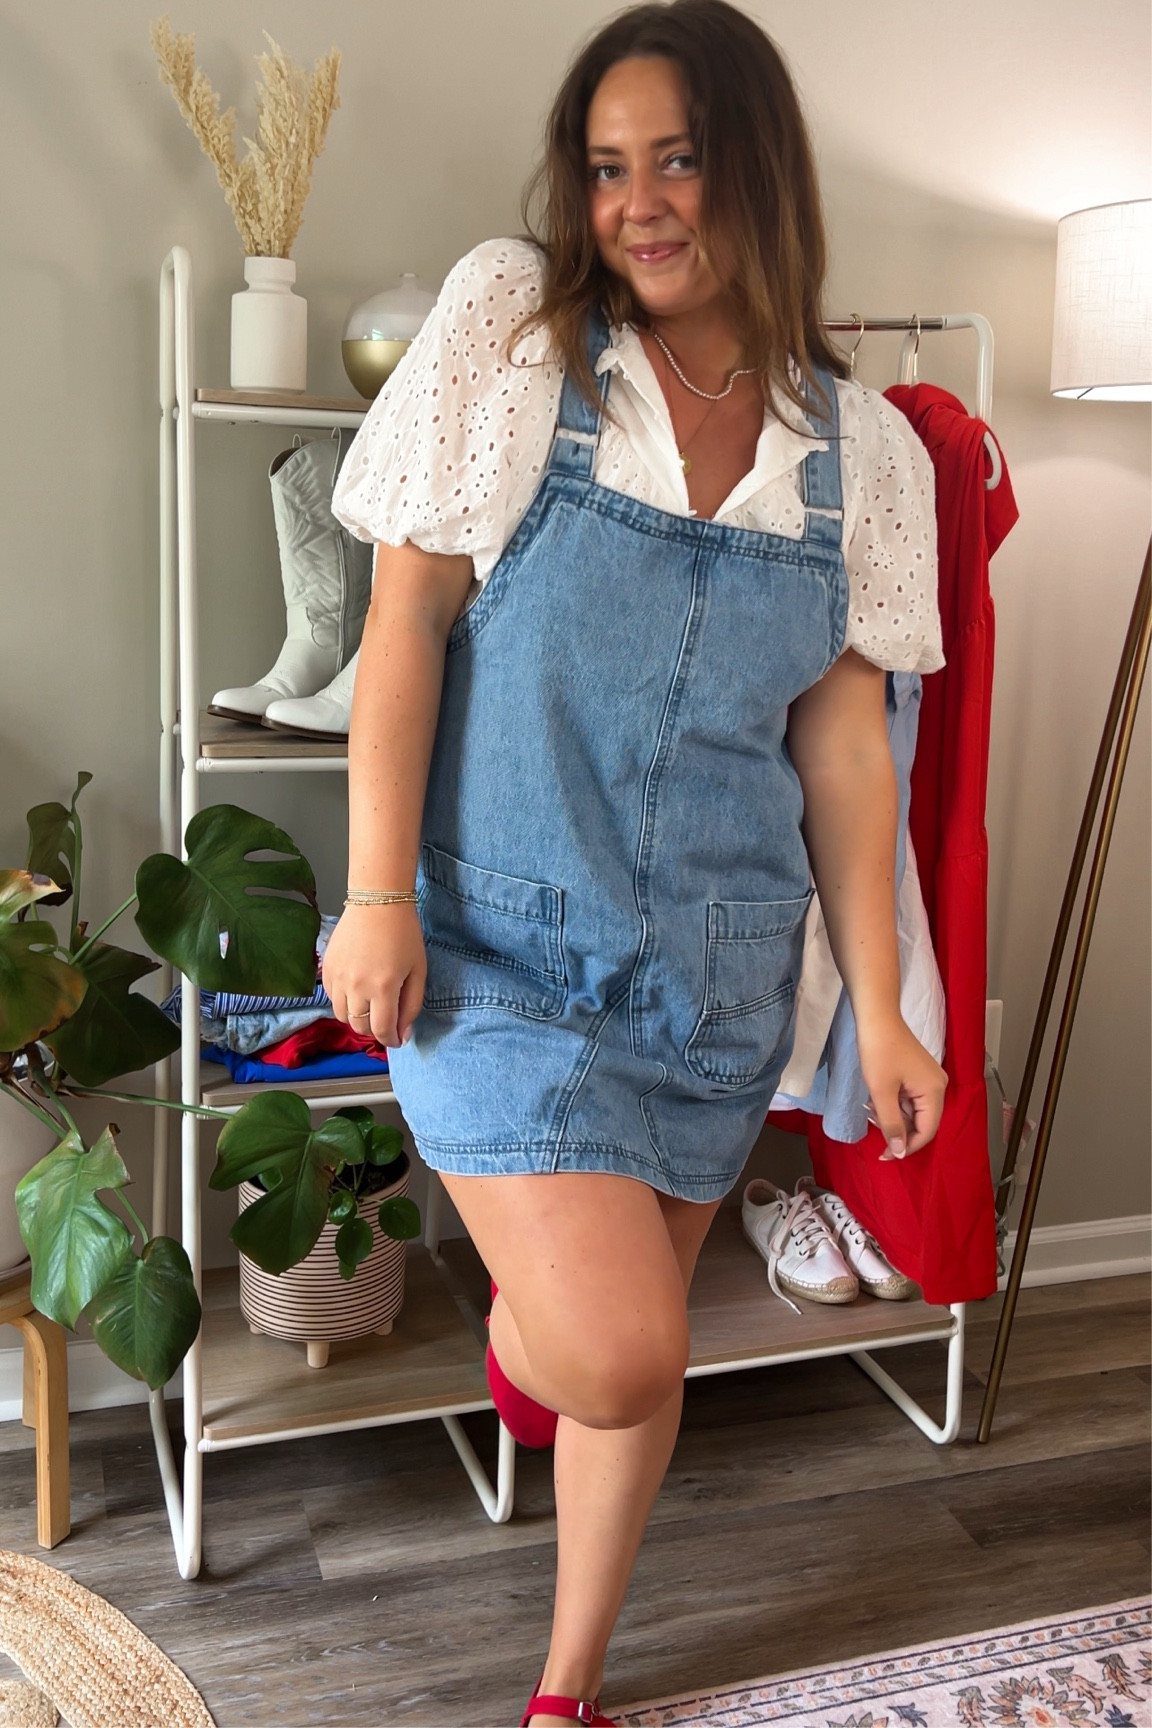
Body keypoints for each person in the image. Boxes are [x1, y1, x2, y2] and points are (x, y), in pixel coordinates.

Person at [324, 3, 947, 1722]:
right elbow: (404, 627)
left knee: (632, 1370)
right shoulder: (515, 340)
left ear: (760, 168)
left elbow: (841, 757)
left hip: (719, 979)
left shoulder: (862, 453)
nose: (640, 202)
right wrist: (376, 892)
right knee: (615, 1348)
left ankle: (569, 1683)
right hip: (499, 952)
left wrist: (877, 1012)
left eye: (678, 157)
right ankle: (520, 1341)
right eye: (608, 167)